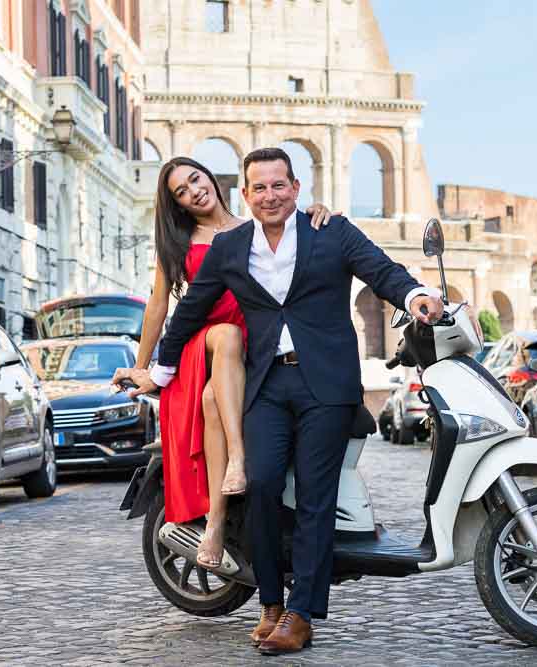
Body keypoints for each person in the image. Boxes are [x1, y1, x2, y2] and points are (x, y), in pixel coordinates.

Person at [126, 147, 443, 655]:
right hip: (266, 383)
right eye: (260, 187)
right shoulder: (231, 248)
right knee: (262, 482)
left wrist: (415, 296)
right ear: (246, 194)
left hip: (326, 385)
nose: (270, 195)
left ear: (296, 189)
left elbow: (382, 271)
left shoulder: (330, 231)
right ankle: (270, 601)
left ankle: (300, 614)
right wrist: (157, 371)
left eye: (279, 185)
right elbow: (187, 313)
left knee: (316, 495)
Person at [113, 156, 333, 569]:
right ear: (177, 204)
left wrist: (318, 212)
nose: (194, 190)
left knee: (216, 398)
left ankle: (215, 522)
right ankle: (236, 459)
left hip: (254, 343)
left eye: (196, 178)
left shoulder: (253, 224)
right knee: (227, 337)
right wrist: (144, 366)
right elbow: (158, 305)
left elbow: (291, 233)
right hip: (206, 338)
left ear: (211, 176)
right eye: (181, 191)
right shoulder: (179, 242)